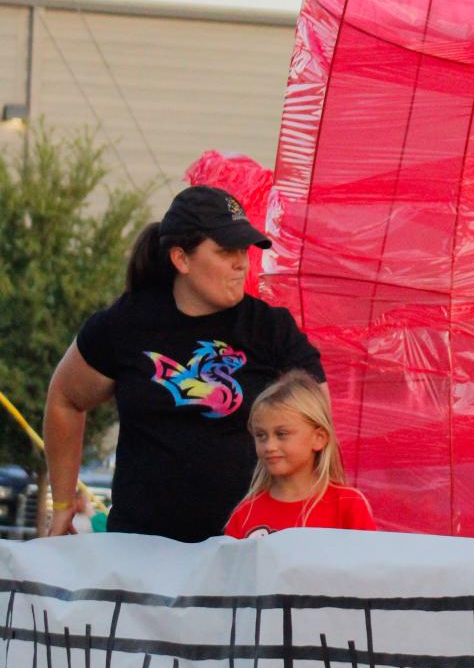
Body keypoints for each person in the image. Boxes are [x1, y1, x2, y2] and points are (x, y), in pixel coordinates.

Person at [42, 185, 324, 542]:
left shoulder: (270, 329)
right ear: (181, 259)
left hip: (245, 553)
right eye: (226, 251)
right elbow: (65, 398)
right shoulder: (125, 323)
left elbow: (319, 426)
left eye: (244, 250)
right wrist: (63, 502)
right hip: (139, 554)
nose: (242, 262)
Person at [225, 372, 373, 536]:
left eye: (281, 434)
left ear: (319, 438)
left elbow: (370, 560)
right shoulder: (244, 514)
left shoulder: (348, 505)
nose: (269, 446)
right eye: (261, 435)